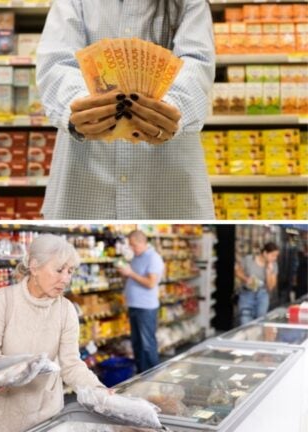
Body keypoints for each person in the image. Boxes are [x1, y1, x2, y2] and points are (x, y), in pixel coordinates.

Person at [36, 0, 215, 219]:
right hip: (86, 180)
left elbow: (198, 63)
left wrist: (169, 109)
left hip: (167, 185)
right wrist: (80, 105)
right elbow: (56, 61)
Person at [0, 234, 107, 432]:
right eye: (59, 270)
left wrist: (100, 392)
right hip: (1, 419)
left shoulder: (66, 310)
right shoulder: (2, 301)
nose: (66, 279)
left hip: (47, 415)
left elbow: (71, 365)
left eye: (70, 271)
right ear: (34, 267)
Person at [117, 230, 164, 373]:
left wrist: (130, 273)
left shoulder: (153, 258)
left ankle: (155, 376)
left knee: (147, 344)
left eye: (134, 245)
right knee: (137, 344)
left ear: (143, 242)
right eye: (130, 245)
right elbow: (135, 278)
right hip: (134, 305)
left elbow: (151, 283)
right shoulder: (137, 257)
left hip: (146, 307)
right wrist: (125, 273)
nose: (131, 248)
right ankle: (142, 374)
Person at [236, 242, 279, 325]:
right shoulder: (249, 260)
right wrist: (246, 279)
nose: (275, 258)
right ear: (265, 253)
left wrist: (269, 272)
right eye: (273, 255)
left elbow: (270, 287)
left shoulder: (274, 265)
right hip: (246, 294)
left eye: (276, 256)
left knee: (260, 322)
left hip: (262, 296)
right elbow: (238, 271)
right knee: (245, 322)